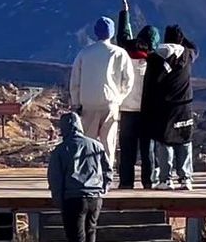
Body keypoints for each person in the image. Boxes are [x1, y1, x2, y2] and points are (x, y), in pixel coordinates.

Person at [47, 111, 111, 242]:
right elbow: (108, 171)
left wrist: (59, 202)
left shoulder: (61, 150)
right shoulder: (96, 146)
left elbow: (56, 180)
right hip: (95, 197)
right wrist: (103, 189)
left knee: (77, 239)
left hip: (74, 199)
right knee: (90, 234)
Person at [68, 15, 133, 160]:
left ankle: (88, 173)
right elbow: (128, 80)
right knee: (108, 143)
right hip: (110, 102)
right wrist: (119, 98)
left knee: (88, 142)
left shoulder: (84, 53)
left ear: (96, 32)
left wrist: (76, 103)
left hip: (87, 104)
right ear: (112, 32)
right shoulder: (119, 53)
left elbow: (75, 81)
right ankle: (106, 175)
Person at [145, 25, 199, 190]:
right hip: (184, 104)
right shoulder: (187, 55)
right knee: (184, 139)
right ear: (180, 39)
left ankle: (166, 179)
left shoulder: (154, 57)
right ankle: (185, 178)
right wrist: (183, 40)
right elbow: (195, 47)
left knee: (164, 140)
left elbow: (149, 84)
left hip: (163, 106)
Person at [113, 12, 151, 189]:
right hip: (146, 112)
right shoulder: (153, 64)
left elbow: (122, 37)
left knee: (127, 150)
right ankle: (148, 181)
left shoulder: (124, 59)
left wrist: (124, 15)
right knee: (147, 151)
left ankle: (126, 182)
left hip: (126, 110)